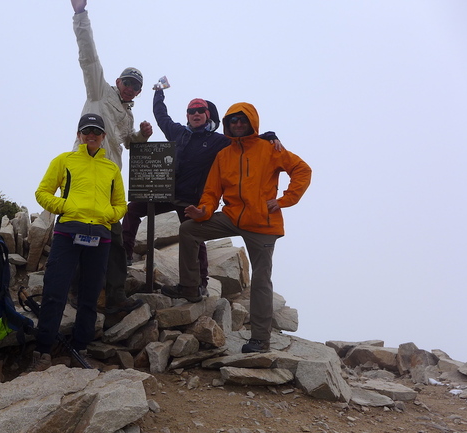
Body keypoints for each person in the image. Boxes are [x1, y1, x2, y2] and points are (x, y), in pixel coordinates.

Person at [161, 103, 311, 354]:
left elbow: (302, 170)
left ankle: (260, 340)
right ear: (227, 124)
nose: (238, 124)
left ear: (252, 122)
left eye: (243, 120)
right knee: (189, 229)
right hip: (231, 216)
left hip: (263, 223)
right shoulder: (224, 155)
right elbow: (211, 191)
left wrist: (284, 200)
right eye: (233, 121)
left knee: (261, 280)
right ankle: (190, 287)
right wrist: (204, 211)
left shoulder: (269, 148)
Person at [122, 88, 282, 295]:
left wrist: (269, 136)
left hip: (190, 199)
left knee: (193, 234)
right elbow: (161, 116)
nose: (195, 114)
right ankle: (125, 255)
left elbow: (244, 140)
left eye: (200, 110)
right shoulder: (178, 132)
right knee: (132, 210)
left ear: (207, 115)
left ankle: (201, 284)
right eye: (191, 111)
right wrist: (158, 93)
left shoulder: (218, 141)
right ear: (187, 115)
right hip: (166, 193)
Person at [71, 0, 152, 313]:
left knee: (115, 240)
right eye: (128, 82)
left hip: (109, 180)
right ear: (118, 81)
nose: (131, 88)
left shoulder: (128, 116)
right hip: (82, 172)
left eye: (136, 86)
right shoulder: (99, 91)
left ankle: (115, 296)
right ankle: (77, 294)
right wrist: (80, 14)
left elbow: (125, 143)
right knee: (80, 233)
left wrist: (141, 136)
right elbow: (88, 55)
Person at [31, 113, 127, 371]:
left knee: (90, 295)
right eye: (87, 131)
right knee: (55, 291)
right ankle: (42, 351)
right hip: (68, 232)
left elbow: (120, 204)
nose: (91, 135)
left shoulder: (112, 169)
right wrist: (64, 207)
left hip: (100, 235)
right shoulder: (64, 160)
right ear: (79, 135)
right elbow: (42, 192)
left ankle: (81, 348)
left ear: (104, 136)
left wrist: (109, 215)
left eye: (96, 131)